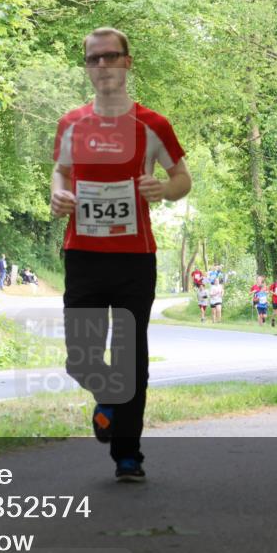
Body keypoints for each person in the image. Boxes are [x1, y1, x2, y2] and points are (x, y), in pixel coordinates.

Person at [51, 26, 191, 482]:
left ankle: (128, 455)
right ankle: (109, 401)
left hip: (134, 256)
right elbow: (61, 172)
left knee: (131, 356)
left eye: (111, 56)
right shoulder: (71, 123)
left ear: (127, 62)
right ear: (87, 67)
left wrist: (163, 189)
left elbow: (182, 179)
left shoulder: (153, 124)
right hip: (83, 254)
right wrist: (58, 195)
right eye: (94, 58)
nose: (103, 65)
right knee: (81, 357)